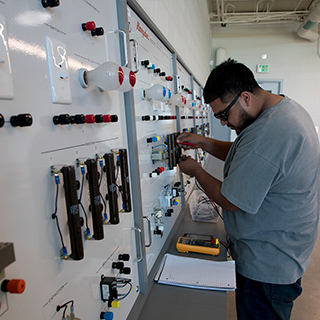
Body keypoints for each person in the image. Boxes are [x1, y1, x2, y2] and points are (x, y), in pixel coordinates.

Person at [177, 58, 320, 320]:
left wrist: (196, 171)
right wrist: (204, 142)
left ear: (245, 97)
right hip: (282, 250)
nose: (222, 122)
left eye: (223, 114)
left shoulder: (271, 130)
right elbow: (249, 156)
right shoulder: (282, 111)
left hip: (267, 266)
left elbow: (231, 200)